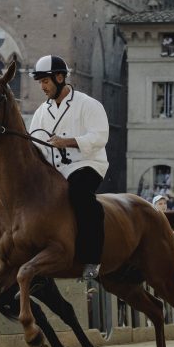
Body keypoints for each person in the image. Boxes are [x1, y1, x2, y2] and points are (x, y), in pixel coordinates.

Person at [29, 55, 109, 281]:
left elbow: (100, 137)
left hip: (87, 164)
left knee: (80, 194)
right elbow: (36, 143)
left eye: (45, 81)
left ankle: (92, 259)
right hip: (54, 170)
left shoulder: (89, 104)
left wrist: (68, 141)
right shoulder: (41, 112)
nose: (42, 87)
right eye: (40, 82)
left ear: (60, 77)